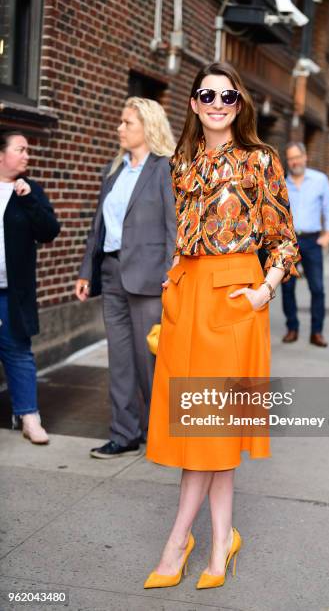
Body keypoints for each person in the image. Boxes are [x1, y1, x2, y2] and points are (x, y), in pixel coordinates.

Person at [143, 62, 299, 590]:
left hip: (235, 300)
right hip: (186, 300)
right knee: (206, 431)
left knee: (210, 428)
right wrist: (171, 281)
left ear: (240, 104)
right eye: (206, 95)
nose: (216, 103)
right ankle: (221, 539)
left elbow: (284, 241)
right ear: (192, 102)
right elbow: (184, 236)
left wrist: (264, 289)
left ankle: (177, 541)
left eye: (227, 97)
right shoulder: (181, 161)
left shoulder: (260, 160)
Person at [75, 98, 176, 458]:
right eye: (121, 122)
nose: (119, 128)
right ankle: (124, 433)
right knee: (120, 360)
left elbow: (173, 229)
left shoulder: (165, 168)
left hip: (151, 280)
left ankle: (162, 433)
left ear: (147, 127)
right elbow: (97, 227)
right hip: (113, 274)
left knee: (150, 360)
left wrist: (172, 275)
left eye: (127, 123)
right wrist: (87, 271)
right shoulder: (113, 170)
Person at [0, 129, 60, 443]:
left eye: (27, 150)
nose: (27, 155)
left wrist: (29, 200)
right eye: (20, 149)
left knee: (18, 352)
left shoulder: (29, 190)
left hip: (13, 291)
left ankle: (29, 417)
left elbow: (50, 231)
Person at [281, 142, 329, 348]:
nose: (294, 161)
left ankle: (317, 332)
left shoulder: (320, 180)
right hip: (288, 242)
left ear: (305, 157)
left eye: (297, 157)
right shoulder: (282, 183)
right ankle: (292, 328)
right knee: (287, 287)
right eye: (290, 158)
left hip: (312, 240)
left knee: (317, 288)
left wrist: (328, 234)